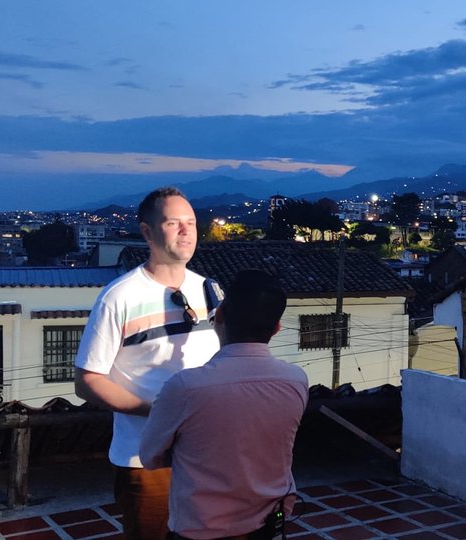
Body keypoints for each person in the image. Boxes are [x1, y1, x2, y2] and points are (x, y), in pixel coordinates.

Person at [74, 187, 221, 540]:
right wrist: (159, 411)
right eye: (173, 223)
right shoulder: (119, 297)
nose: (186, 231)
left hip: (207, 455)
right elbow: (87, 380)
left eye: (191, 223)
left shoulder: (210, 291)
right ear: (147, 232)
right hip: (146, 460)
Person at [140, 269, 308, 540]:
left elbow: (149, 457)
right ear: (277, 328)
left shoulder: (185, 387)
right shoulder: (296, 380)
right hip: (267, 525)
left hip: (201, 531)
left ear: (218, 315)